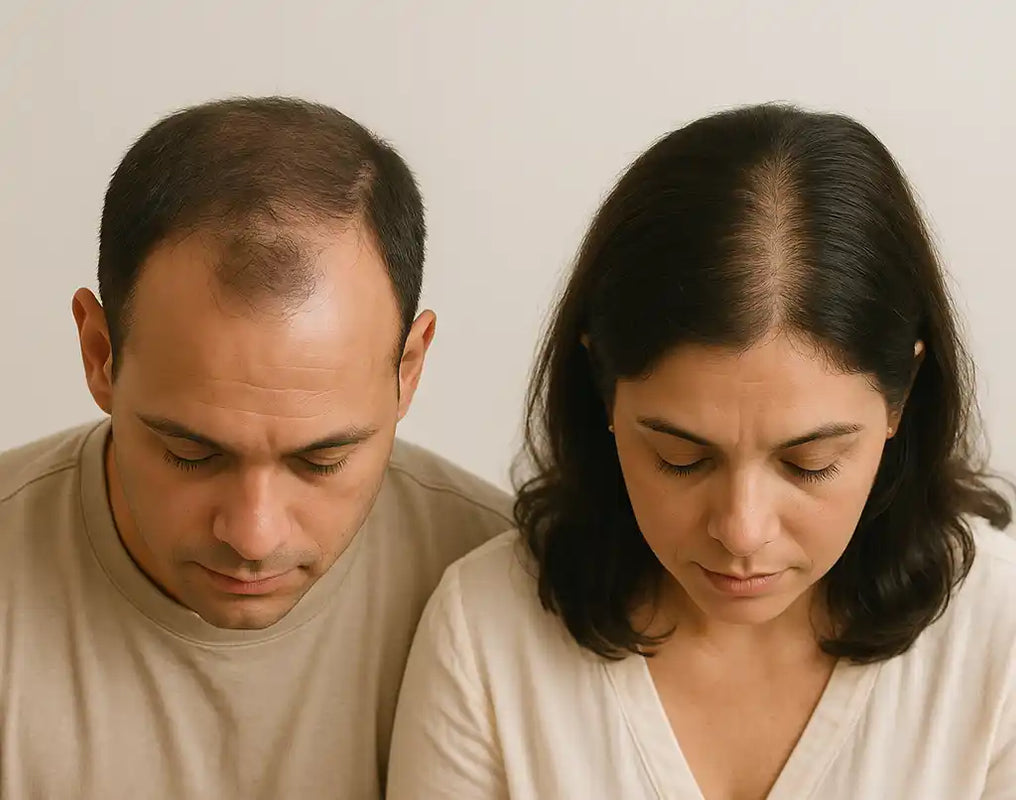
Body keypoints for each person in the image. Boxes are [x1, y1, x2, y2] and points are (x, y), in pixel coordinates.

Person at [387, 104, 1016, 799]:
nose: (742, 531)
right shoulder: (489, 632)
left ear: (901, 401)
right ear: (604, 393)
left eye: (809, 464)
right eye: (681, 459)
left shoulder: (998, 635)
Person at [0, 96, 512, 799]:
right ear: (99, 353)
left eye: (321, 461)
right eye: (191, 452)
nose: (252, 534)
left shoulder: (513, 593)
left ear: (410, 368)